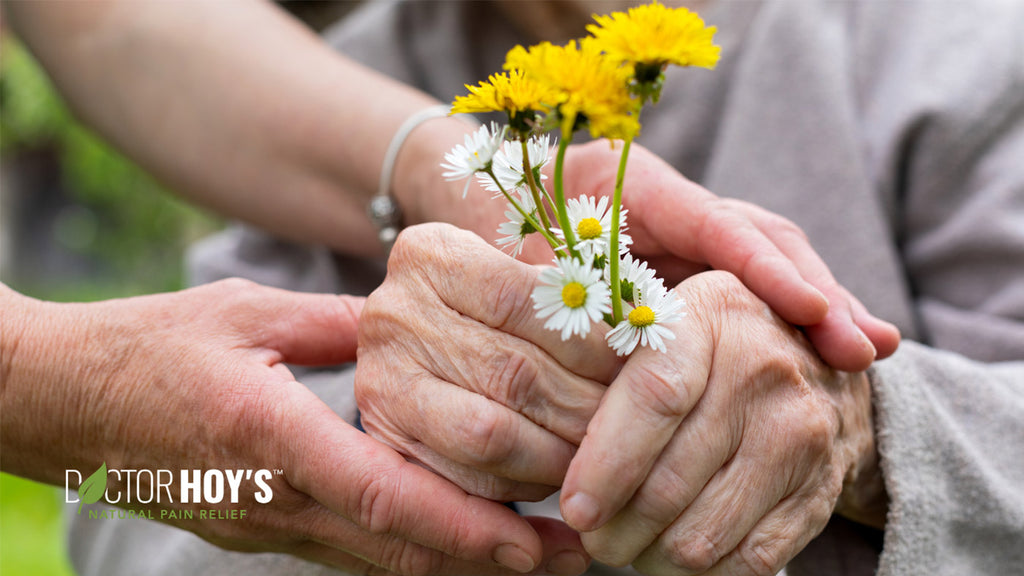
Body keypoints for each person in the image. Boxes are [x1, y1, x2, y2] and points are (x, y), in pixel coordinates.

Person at [0, 1, 896, 575]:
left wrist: (457, 171)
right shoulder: (374, 59)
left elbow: (110, 21)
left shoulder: (917, 58)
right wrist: (36, 382)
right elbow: (109, 496)